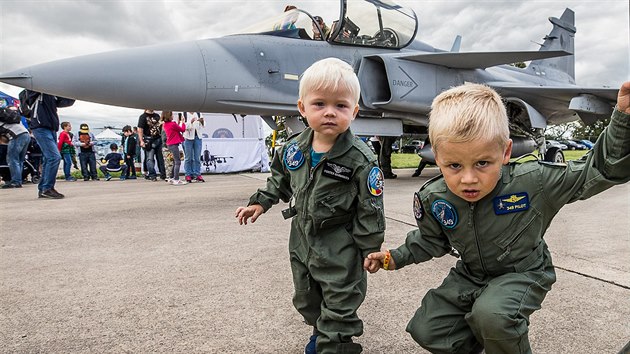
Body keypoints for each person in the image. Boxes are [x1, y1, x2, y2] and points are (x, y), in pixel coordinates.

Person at [365, 82, 630, 354]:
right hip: (472, 275)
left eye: (482, 163)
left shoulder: (533, 182)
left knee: (493, 316)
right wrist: (394, 257)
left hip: (523, 272)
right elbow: (431, 240)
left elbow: (597, 169)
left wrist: (623, 119)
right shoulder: (436, 197)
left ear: (505, 152)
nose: (468, 179)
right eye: (454, 165)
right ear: (437, 157)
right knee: (429, 329)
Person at [235, 58, 385, 354]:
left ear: (354, 112)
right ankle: (323, 330)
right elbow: (279, 180)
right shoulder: (294, 148)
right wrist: (260, 204)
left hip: (340, 245)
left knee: (340, 303)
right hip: (302, 240)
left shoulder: (361, 159)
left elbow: (371, 209)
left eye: (341, 106)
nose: (330, 112)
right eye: (319, 104)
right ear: (302, 108)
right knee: (306, 299)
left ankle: (336, 342)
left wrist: (371, 248)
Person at [23, 91, 75, 199]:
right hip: (41, 127)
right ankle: (47, 188)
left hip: (50, 128)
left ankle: (44, 188)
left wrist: (73, 92)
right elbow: (26, 91)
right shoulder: (37, 90)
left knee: (48, 158)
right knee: (54, 157)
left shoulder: (50, 94)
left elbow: (65, 102)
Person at [0, 107, 30, 188]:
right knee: (19, 160)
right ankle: (19, 180)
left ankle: (15, 181)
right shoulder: (9, 118)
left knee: (12, 159)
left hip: (17, 136)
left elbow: (3, 139)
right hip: (26, 134)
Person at [137, 109, 166, 181]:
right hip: (148, 139)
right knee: (150, 158)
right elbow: (140, 129)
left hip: (158, 139)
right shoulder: (143, 117)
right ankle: (152, 175)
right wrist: (141, 141)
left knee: (160, 158)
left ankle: (163, 174)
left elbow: (161, 127)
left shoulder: (157, 115)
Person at [161, 111, 187, 185]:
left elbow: (175, 129)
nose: (173, 116)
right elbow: (182, 129)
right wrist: (183, 122)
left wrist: (178, 123)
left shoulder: (165, 124)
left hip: (169, 144)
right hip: (174, 144)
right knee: (178, 161)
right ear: (169, 116)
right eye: (172, 115)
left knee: (175, 161)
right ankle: (176, 179)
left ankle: (172, 177)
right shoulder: (173, 124)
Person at [182, 112, 205, 183]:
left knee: (197, 157)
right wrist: (190, 122)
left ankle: (197, 173)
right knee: (188, 157)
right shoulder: (184, 113)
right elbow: (182, 126)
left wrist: (201, 121)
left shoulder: (198, 113)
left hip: (198, 137)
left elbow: (204, 125)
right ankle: (188, 174)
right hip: (187, 138)